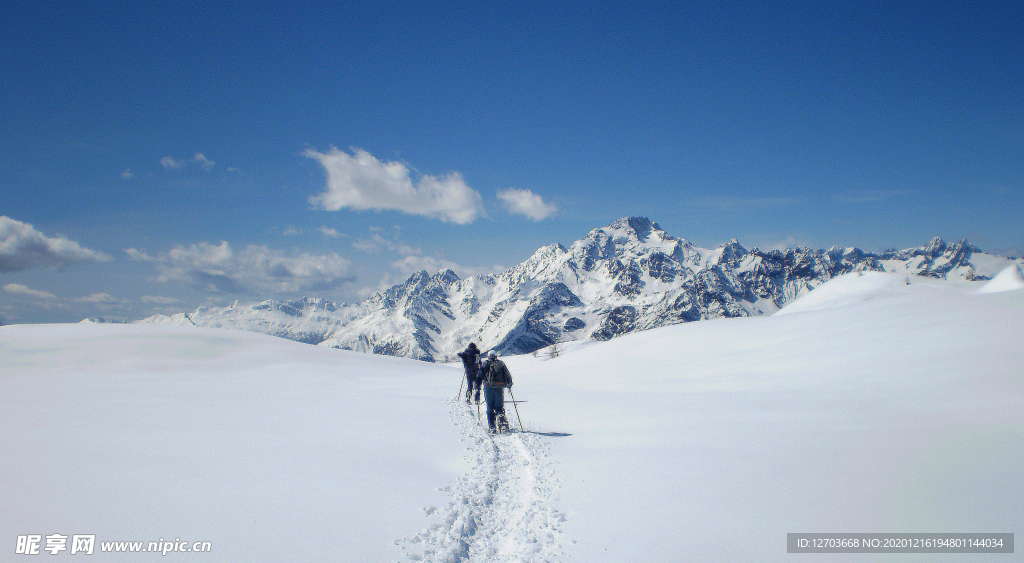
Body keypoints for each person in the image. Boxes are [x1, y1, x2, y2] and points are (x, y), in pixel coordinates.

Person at [481, 350, 513, 433]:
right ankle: (503, 424)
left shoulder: (485, 364)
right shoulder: (501, 363)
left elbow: (480, 375)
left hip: (488, 387)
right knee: (499, 407)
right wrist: (509, 384)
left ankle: (492, 426)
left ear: (488, 356)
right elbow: (507, 374)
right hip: (499, 387)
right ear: (496, 356)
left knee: (490, 407)